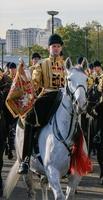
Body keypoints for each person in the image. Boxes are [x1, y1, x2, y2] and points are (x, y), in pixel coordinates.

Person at [17, 34, 65, 174]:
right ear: (49, 48)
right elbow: (34, 83)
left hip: (64, 98)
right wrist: (25, 74)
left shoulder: (66, 64)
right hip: (47, 97)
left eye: (58, 46)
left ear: (61, 47)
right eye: (53, 46)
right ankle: (25, 159)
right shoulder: (41, 64)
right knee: (29, 119)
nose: (56, 49)